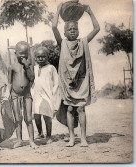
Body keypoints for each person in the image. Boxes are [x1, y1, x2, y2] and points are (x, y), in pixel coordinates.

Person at [52, 3, 100, 147]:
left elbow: (97, 28)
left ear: (78, 31)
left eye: (75, 29)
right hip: (67, 83)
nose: (73, 31)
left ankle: (83, 138)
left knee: (81, 108)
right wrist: (57, 10)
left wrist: (90, 12)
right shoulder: (62, 43)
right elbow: (54, 27)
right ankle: (72, 137)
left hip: (81, 82)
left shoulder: (83, 42)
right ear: (65, 33)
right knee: (70, 109)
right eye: (69, 29)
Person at [8, 41, 38, 149]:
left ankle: (31, 140)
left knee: (29, 118)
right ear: (15, 53)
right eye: (20, 53)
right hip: (15, 95)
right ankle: (19, 140)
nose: (23, 55)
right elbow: (9, 83)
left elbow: (32, 78)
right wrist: (8, 95)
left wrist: (27, 66)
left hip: (26, 94)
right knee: (17, 118)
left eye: (25, 53)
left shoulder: (29, 65)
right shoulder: (12, 67)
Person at [31, 47, 59, 143]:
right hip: (36, 95)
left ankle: (49, 136)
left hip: (47, 95)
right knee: (37, 116)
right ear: (35, 58)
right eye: (38, 57)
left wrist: (53, 91)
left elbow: (56, 81)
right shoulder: (34, 68)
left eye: (43, 56)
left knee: (47, 116)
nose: (41, 59)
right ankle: (40, 133)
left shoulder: (51, 68)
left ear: (47, 57)